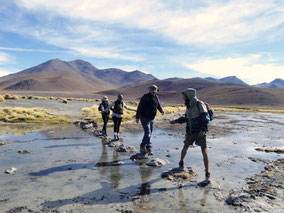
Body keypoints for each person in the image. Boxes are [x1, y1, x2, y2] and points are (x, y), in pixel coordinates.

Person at [170, 88, 210, 183]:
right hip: (190, 132)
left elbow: (206, 117)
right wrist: (176, 121)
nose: (183, 97)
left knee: (204, 150)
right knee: (185, 147)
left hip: (200, 132)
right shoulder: (188, 105)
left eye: (184, 95)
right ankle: (181, 163)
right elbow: (186, 118)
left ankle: (207, 173)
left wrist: (203, 129)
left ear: (189, 96)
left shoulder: (199, 104)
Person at [136, 85, 164, 155]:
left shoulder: (156, 97)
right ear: (149, 90)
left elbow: (158, 105)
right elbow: (139, 107)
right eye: (152, 91)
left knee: (149, 133)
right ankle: (145, 146)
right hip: (144, 117)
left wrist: (161, 111)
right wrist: (137, 117)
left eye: (155, 91)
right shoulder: (145, 97)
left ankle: (147, 146)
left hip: (152, 118)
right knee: (147, 132)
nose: (153, 92)